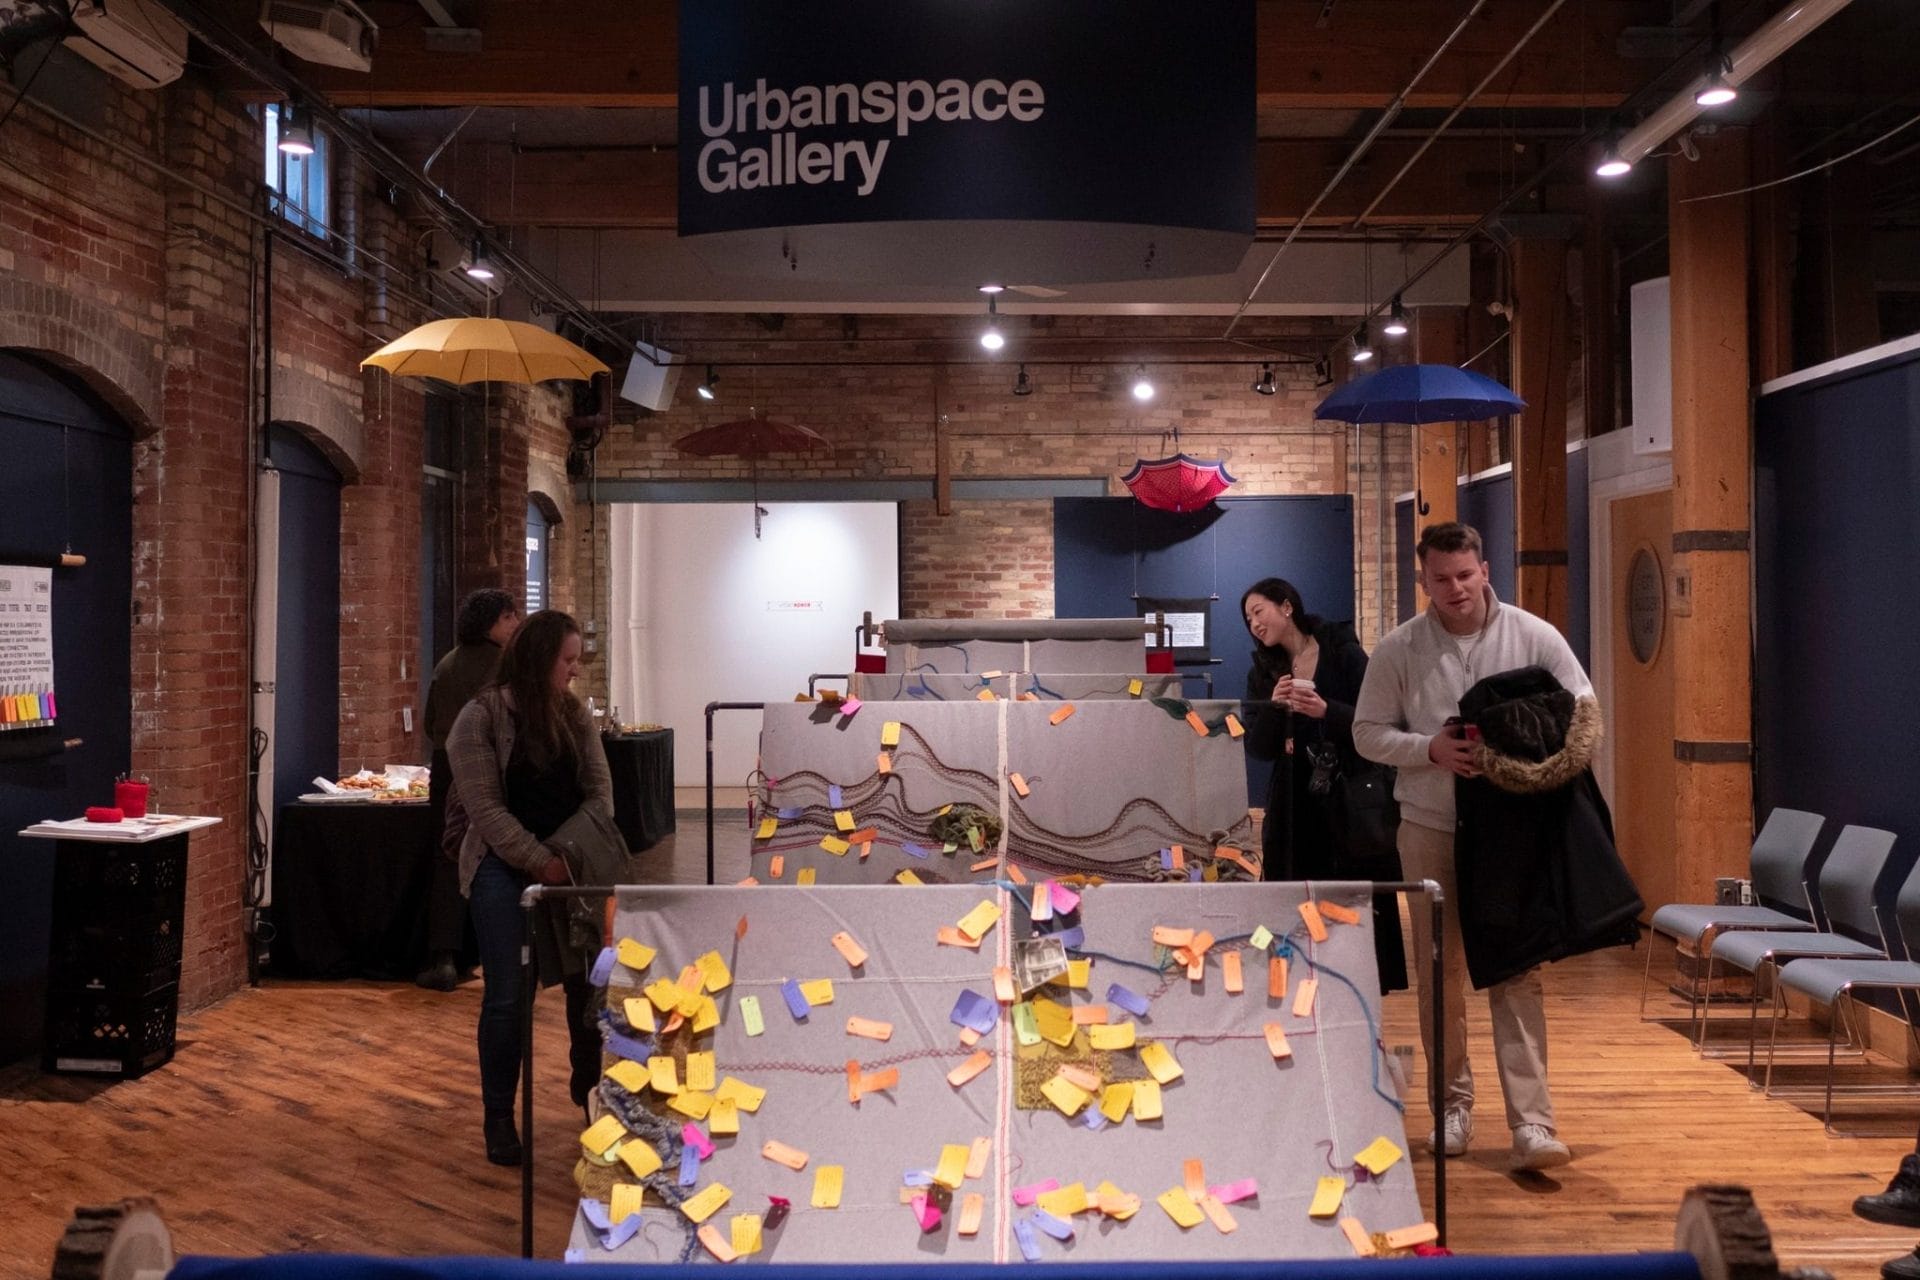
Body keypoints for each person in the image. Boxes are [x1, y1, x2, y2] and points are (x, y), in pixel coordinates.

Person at [1353, 521, 1591, 1172]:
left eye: (1465, 574)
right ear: (1423, 580)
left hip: (1512, 833)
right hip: (1428, 826)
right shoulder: (1399, 649)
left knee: (1518, 969)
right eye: (1441, 578)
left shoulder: (1535, 635)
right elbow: (1366, 733)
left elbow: (1583, 707)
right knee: (1440, 974)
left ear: (1485, 570)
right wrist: (1428, 749)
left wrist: (1531, 761)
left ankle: (1534, 1124)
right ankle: (1451, 1109)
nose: (1455, 588)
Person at [447, 608, 610, 1166]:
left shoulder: (573, 715)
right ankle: (498, 1116)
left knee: (589, 983)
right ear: (540, 659)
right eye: (567, 660)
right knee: (507, 997)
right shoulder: (478, 718)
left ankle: (588, 1084)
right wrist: (540, 862)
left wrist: (568, 854)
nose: (574, 671)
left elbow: (600, 793)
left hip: (570, 862)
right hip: (502, 864)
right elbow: (487, 811)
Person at [1240, 577, 1406, 992]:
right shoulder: (1263, 671)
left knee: (1352, 902)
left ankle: (1358, 994)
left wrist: (1326, 711)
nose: (1254, 624)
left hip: (1349, 797)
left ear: (1286, 606)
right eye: (1248, 620)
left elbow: (1380, 721)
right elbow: (1258, 748)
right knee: (1292, 901)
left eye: (1258, 612)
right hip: (1293, 803)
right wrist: (1274, 708)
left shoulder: (1342, 651)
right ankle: (1298, 992)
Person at [415, 589, 521, 991]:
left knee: (447, 856)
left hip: (447, 766)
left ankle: (443, 957)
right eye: (509, 617)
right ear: (490, 622)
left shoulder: (447, 662)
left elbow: (430, 724)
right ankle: (493, 952)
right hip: (493, 765)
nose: (515, 624)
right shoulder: (507, 665)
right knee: (494, 852)